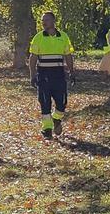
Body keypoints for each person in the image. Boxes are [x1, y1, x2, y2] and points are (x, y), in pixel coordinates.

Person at [28, 12, 75, 140]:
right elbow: (32, 58)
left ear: (54, 21)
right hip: (43, 75)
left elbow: (68, 56)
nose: (44, 23)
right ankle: (47, 129)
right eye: (42, 20)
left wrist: (72, 72)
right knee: (44, 102)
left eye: (47, 20)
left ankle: (56, 119)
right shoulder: (38, 37)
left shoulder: (63, 37)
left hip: (59, 74)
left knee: (62, 103)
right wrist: (32, 76)